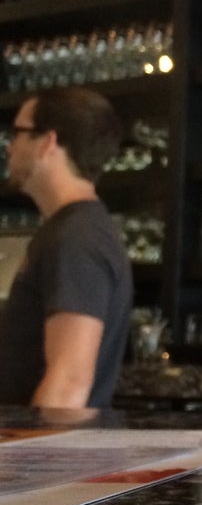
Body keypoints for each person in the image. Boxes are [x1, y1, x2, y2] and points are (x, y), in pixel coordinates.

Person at [0, 87, 132, 408]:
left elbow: (69, 382)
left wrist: (29, 444)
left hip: (39, 441)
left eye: (18, 133)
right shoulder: (75, 229)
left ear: (48, 142)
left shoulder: (75, 238)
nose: (9, 146)